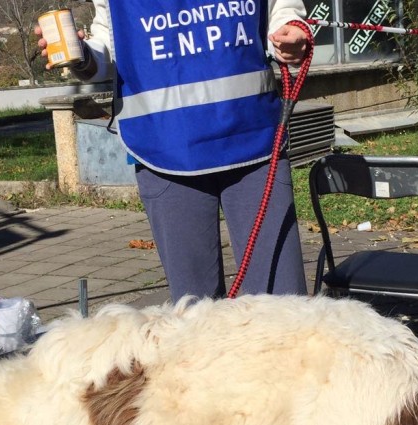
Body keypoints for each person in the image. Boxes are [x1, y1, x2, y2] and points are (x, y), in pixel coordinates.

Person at [37, 1, 310, 302]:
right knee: (193, 316)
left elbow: (280, 10)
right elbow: (111, 47)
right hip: (164, 150)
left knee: (285, 309)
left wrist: (292, 33)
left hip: (252, 144)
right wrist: (83, 57)